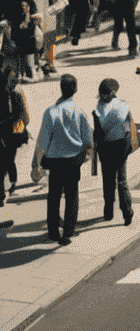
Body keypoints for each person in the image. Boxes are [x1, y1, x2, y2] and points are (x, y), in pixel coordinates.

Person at [29, 73, 92, 245]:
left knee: (54, 195)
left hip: (55, 161)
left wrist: (36, 162)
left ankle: (53, 231)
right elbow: (87, 138)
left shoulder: (51, 112)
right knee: (72, 195)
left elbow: (42, 139)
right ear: (75, 90)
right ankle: (68, 232)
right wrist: (88, 153)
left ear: (61, 88)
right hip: (73, 160)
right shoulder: (79, 112)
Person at [89, 77, 135, 227]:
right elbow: (130, 127)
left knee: (108, 181)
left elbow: (97, 135)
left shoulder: (97, 111)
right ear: (114, 92)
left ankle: (108, 211)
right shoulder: (123, 106)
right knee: (122, 180)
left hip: (106, 149)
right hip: (121, 147)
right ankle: (127, 212)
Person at [0, 64, 27, 216]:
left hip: (12, 132)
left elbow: (21, 114)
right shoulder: (6, 92)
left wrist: (20, 127)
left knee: (8, 160)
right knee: (5, 161)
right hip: (5, 131)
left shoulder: (16, 94)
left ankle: (13, 184)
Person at [15, 0, 43, 81]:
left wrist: (28, 14)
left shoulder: (33, 17)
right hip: (21, 43)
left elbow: (27, 26)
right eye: (22, 6)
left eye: (25, 6)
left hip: (30, 43)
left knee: (30, 64)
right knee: (22, 62)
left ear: (30, 7)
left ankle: (33, 76)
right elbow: (20, 27)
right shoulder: (19, 17)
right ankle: (23, 76)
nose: (23, 7)